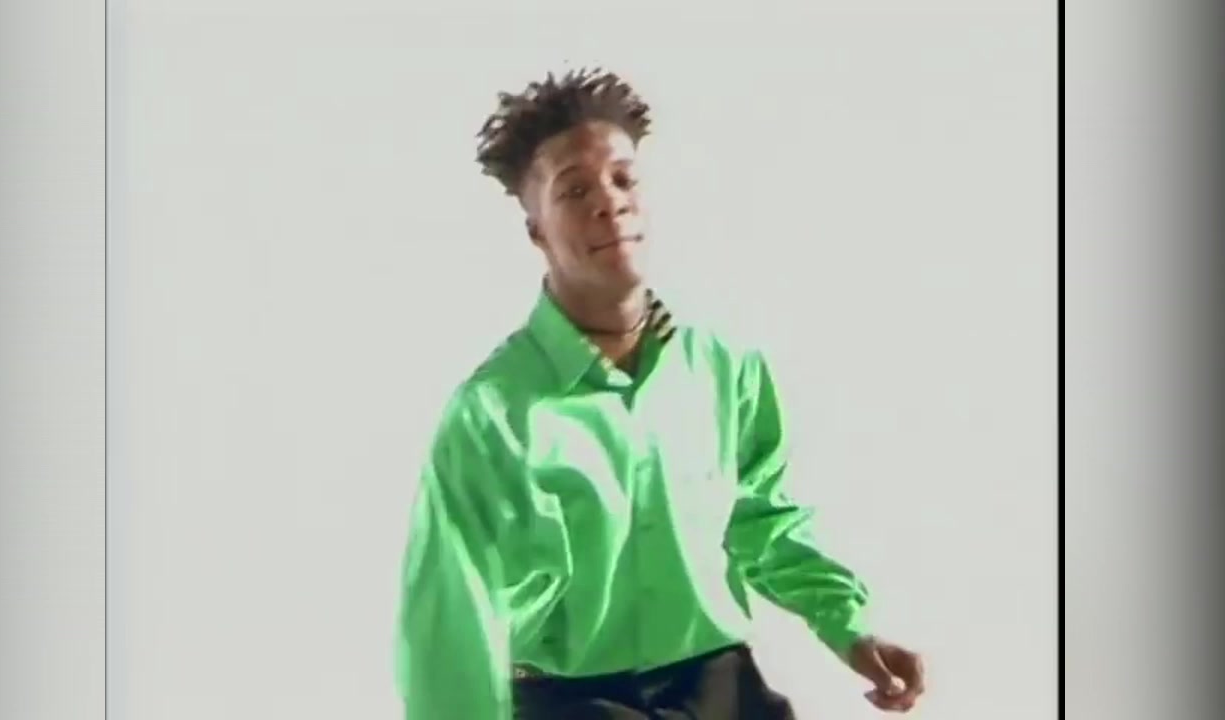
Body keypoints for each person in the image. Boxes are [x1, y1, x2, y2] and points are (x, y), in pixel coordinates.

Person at [394, 67, 926, 719]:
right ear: (535, 230)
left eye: (624, 179)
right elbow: (450, 621)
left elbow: (765, 522)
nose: (609, 202)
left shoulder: (725, 370)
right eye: (574, 190)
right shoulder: (494, 415)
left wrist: (851, 628)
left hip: (721, 690)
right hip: (569, 703)